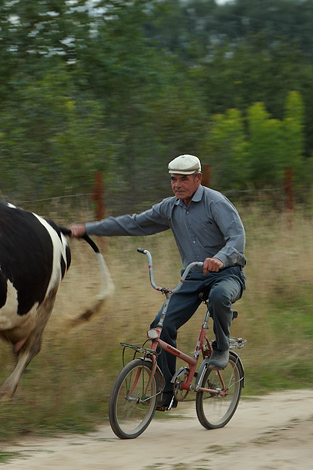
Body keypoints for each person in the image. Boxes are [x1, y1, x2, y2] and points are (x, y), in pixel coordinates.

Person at [69, 154, 246, 411]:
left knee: (219, 296)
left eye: (184, 179)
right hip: (193, 277)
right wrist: (89, 228)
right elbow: (134, 223)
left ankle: (221, 348)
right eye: (173, 179)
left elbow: (237, 238)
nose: (177, 185)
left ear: (198, 178)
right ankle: (166, 391)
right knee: (160, 327)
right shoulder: (170, 207)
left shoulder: (215, 202)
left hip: (228, 274)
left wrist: (220, 258)